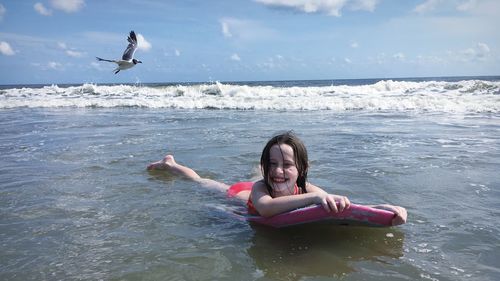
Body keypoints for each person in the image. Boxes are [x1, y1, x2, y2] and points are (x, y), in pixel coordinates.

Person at [147, 132, 407, 225]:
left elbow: (340, 205)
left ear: (302, 170)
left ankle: (258, 166)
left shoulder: (305, 186)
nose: (279, 170)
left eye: (287, 165)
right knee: (199, 181)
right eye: (273, 164)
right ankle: (171, 164)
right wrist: (317, 197)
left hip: (265, 185)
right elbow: (266, 209)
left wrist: (385, 209)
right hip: (239, 194)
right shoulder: (263, 186)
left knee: (265, 174)